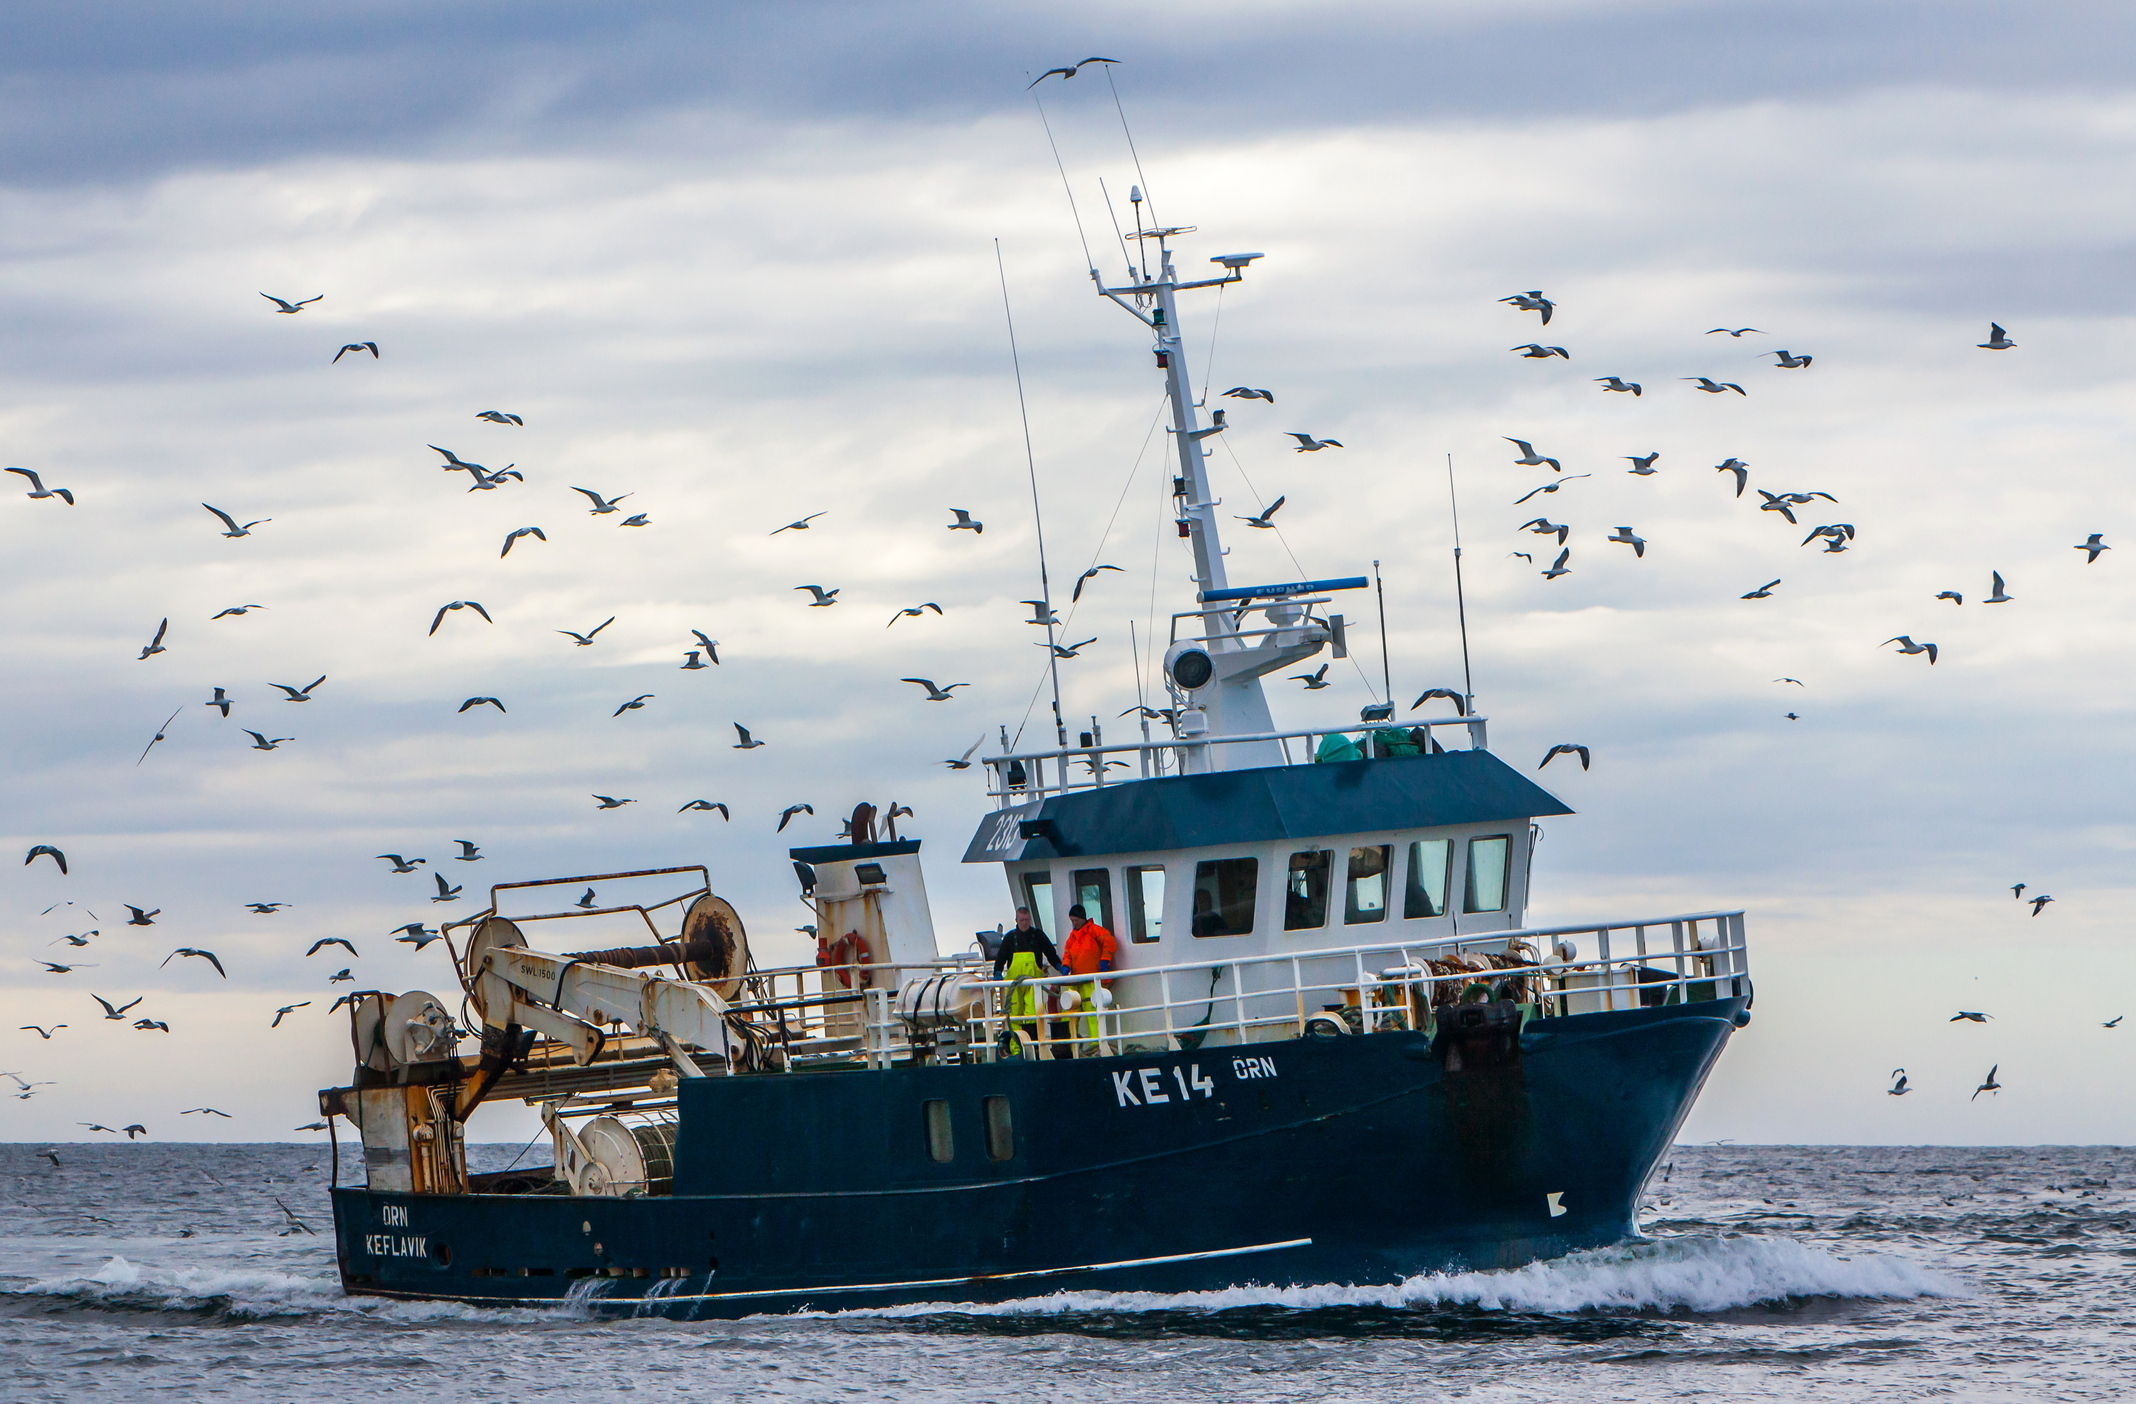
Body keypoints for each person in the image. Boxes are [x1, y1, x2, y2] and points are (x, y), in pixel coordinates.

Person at [991, 906, 1062, 1054]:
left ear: (1029, 920)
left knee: (1033, 1014)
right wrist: (997, 972)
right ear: (1016, 920)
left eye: (1026, 920)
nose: (1024, 923)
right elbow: (1001, 957)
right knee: (1014, 1016)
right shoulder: (1010, 938)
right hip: (1014, 985)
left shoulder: (1038, 935)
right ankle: (1016, 1049)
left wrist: (1060, 966)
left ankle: (1032, 1048)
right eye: (1021, 920)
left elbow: (1050, 952)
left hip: (1033, 983)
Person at [1060, 904, 1117, 1054]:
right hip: (1076, 981)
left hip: (1091, 981)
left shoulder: (1094, 931)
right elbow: (1067, 954)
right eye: (1072, 920)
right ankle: (1070, 1048)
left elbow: (1109, 942)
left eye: (1076, 920)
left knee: (1093, 1016)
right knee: (1070, 1015)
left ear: (1082, 918)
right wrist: (1065, 966)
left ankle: (1096, 1048)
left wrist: (1105, 960)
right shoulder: (1072, 937)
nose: (1074, 923)